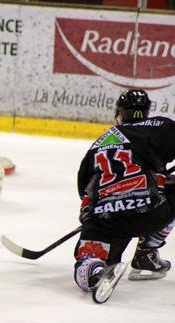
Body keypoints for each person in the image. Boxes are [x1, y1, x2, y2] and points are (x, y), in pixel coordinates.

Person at [73, 89, 174, 297]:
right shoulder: (160, 127)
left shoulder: (99, 144)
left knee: (87, 260)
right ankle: (147, 251)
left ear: (119, 114)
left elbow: (84, 188)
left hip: (106, 219)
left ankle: (95, 270)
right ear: (145, 112)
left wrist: (90, 215)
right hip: (149, 211)